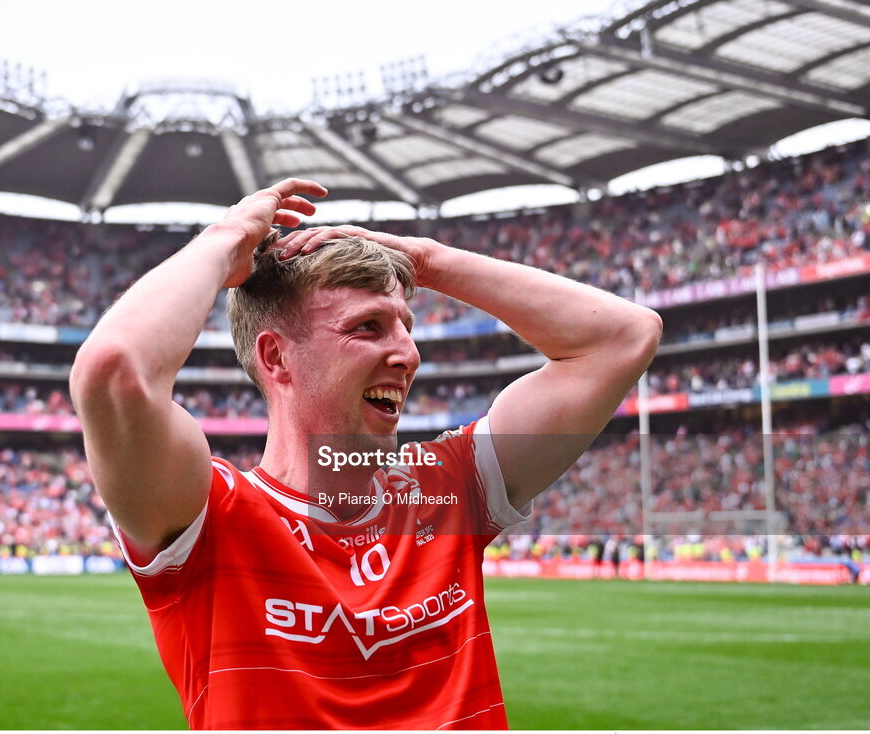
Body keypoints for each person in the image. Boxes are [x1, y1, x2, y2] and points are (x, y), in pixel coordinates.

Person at [70, 178, 662, 729]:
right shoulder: (207, 521)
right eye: (369, 328)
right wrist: (224, 242)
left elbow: (623, 337)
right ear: (276, 358)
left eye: (407, 325)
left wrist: (428, 261)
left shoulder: (447, 488)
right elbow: (115, 372)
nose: (408, 353)